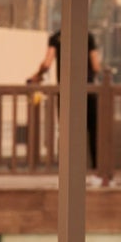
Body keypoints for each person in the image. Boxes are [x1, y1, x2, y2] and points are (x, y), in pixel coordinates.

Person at [28, 22, 102, 174]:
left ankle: (69, 168)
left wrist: (36, 76)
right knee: (92, 130)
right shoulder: (88, 36)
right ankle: (96, 169)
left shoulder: (56, 37)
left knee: (68, 130)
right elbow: (96, 65)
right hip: (88, 90)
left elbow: (47, 63)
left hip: (66, 92)